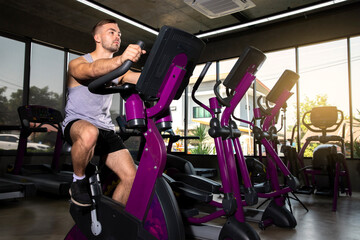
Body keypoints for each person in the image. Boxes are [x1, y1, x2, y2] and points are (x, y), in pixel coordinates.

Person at [62, 19, 146, 207]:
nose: (118, 36)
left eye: (119, 34)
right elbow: (92, 70)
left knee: (132, 177)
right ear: (97, 37)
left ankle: (114, 221)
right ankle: (78, 181)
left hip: (105, 128)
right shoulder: (78, 63)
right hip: (78, 123)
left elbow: (138, 78)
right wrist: (122, 59)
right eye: (111, 32)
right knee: (90, 132)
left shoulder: (118, 70)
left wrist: (168, 73)